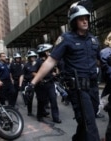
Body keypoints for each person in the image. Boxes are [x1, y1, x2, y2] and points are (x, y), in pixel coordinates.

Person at [25, 2, 100, 141]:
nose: (85, 20)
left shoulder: (93, 39)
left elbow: (102, 61)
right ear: (73, 21)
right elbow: (50, 61)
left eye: (86, 17)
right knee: (90, 126)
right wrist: (33, 83)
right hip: (78, 89)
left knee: (86, 122)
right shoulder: (66, 39)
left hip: (93, 88)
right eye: (80, 18)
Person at [31, 43, 61, 123]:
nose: (48, 53)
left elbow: (53, 70)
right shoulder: (37, 61)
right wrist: (39, 77)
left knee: (53, 100)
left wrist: (54, 73)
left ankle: (56, 118)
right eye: (47, 51)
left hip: (50, 83)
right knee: (41, 101)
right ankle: (40, 115)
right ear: (43, 52)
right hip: (41, 85)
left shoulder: (49, 61)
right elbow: (33, 72)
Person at [19, 50, 38, 116]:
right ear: (29, 57)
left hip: (37, 82)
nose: (33, 58)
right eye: (31, 57)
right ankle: (29, 111)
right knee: (30, 97)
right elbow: (22, 75)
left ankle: (42, 111)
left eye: (34, 56)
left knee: (41, 97)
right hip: (29, 83)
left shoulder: (38, 64)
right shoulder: (26, 65)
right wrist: (20, 84)